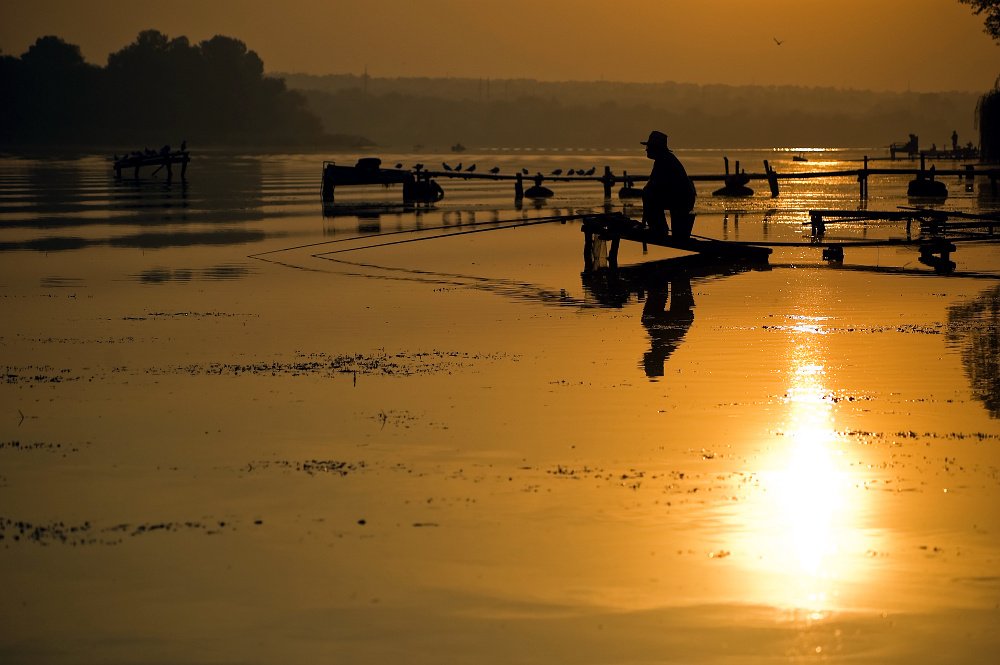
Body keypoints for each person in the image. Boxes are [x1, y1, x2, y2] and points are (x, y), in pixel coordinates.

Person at [641, 130, 696, 240]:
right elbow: (654, 185)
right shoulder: (663, 159)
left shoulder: (664, 161)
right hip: (679, 198)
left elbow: (656, 186)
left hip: (681, 200)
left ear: (656, 148)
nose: (647, 149)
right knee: (648, 194)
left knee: (649, 195)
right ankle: (660, 229)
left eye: (649, 147)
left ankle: (659, 230)